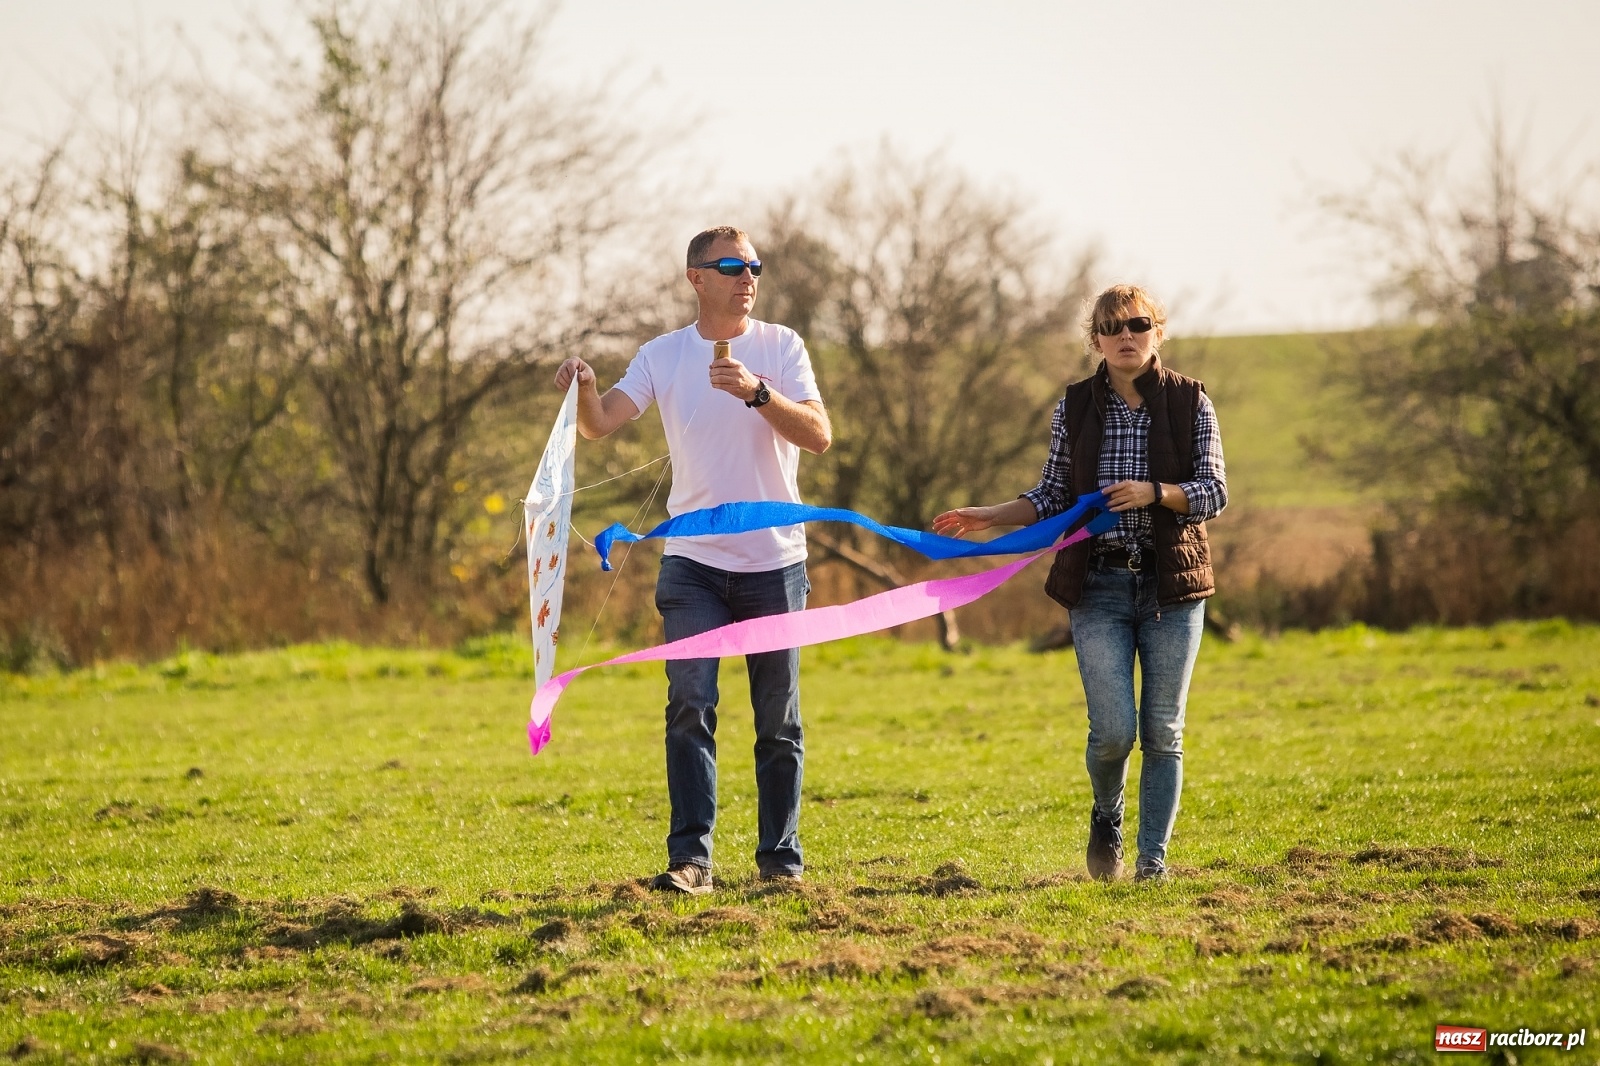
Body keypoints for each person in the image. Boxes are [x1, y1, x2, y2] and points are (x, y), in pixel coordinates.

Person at [553, 226, 832, 894]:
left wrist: (758, 394)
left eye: (754, 266)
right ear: (695, 277)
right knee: (690, 705)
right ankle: (691, 863)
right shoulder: (663, 354)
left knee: (779, 719)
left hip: (775, 563)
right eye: (732, 265)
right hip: (693, 565)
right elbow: (600, 423)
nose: (748, 276)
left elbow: (819, 436)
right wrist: (586, 386)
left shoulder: (781, 346)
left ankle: (780, 864)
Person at [933, 284, 1226, 882]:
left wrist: (1157, 493)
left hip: (1173, 587)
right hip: (1098, 588)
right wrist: (990, 515)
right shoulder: (1074, 406)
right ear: (1094, 338)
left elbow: (1214, 491)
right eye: (1113, 327)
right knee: (1114, 731)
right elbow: (1053, 496)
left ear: (1157, 333)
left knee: (1163, 730)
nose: (1126, 336)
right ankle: (1107, 812)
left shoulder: (1192, 402)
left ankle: (1152, 863)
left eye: (1138, 325)